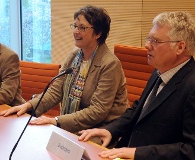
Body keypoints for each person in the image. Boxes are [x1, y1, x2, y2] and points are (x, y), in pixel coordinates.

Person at [78, 11, 195, 160]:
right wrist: (110, 130)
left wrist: (136, 153)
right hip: (124, 150)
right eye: (149, 39)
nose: (147, 45)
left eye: (156, 41)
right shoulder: (159, 71)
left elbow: (191, 150)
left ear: (180, 47)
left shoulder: (191, 85)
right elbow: (138, 110)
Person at [0, 5, 129, 136]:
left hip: (102, 129)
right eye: (75, 26)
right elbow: (55, 92)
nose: (76, 31)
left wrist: (56, 121)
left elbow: (98, 111)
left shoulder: (109, 64)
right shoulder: (74, 55)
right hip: (74, 124)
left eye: (82, 28)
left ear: (98, 33)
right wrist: (28, 106)